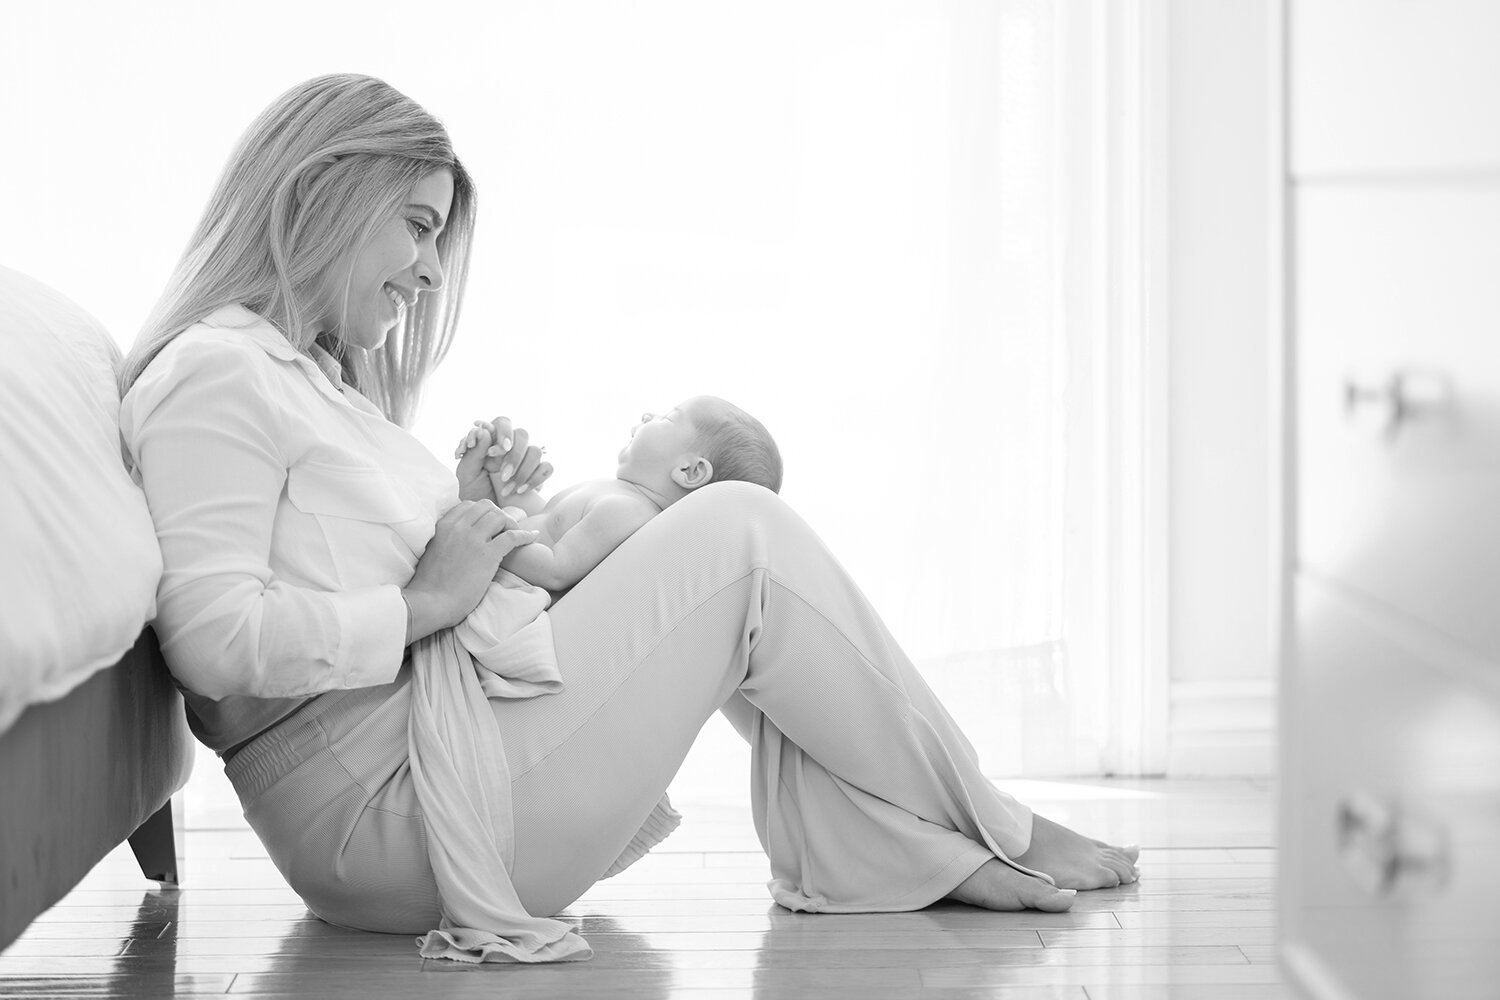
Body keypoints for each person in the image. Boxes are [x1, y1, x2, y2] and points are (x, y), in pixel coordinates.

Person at [118, 73, 1138, 952]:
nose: (431, 270)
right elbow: (212, 640)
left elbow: (350, 571)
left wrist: (472, 522)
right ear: (322, 195)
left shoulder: (314, 382)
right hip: (383, 814)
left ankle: (899, 848)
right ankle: (989, 827)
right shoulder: (219, 373)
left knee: (729, 575)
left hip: (420, 758)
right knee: (741, 531)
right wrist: (430, 601)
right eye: (419, 226)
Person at [452, 395, 782, 593]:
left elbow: (555, 568)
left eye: (668, 418)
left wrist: (491, 538)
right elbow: (542, 524)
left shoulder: (629, 512)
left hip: (504, 592)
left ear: (690, 472)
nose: (647, 416)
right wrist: (495, 475)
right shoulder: (614, 494)